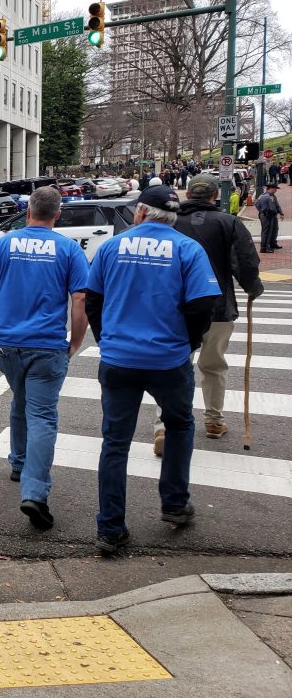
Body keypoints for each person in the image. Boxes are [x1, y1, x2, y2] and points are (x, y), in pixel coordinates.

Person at [84, 185, 221, 555]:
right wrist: (188, 343)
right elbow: (203, 304)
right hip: (168, 359)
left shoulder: (111, 247)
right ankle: (174, 502)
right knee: (179, 425)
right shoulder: (188, 249)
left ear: (141, 212)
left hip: (119, 358)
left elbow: (92, 300)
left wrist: (107, 338)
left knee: (115, 442)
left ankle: (110, 527)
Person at [0, 186, 89, 531]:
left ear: (29, 209)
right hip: (47, 346)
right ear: (57, 213)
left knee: (20, 400)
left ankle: (18, 463)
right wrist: (75, 341)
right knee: (43, 415)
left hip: (8, 345)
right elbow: (80, 300)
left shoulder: (5, 243)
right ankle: (35, 492)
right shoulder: (68, 249)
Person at [150, 175, 263, 454]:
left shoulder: (171, 223)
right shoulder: (229, 223)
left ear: (188, 193)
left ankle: (164, 425)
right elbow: (245, 262)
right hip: (217, 308)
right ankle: (214, 420)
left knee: (173, 365)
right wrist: (253, 288)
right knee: (214, 365)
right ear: (215, 196)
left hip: (176, 309)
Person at [256, 183, 283, 253]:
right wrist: (262, 211)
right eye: (275, 189)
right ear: (271, 188)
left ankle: (272, 243)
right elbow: (256, 203)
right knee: (267, 231)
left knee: (274, 229)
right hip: (266, 215)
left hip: (272, 215)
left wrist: (281, 213)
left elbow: (277, 205)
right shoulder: (264, 196)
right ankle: (264, 247)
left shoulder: (272, 196)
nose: (276, 190)